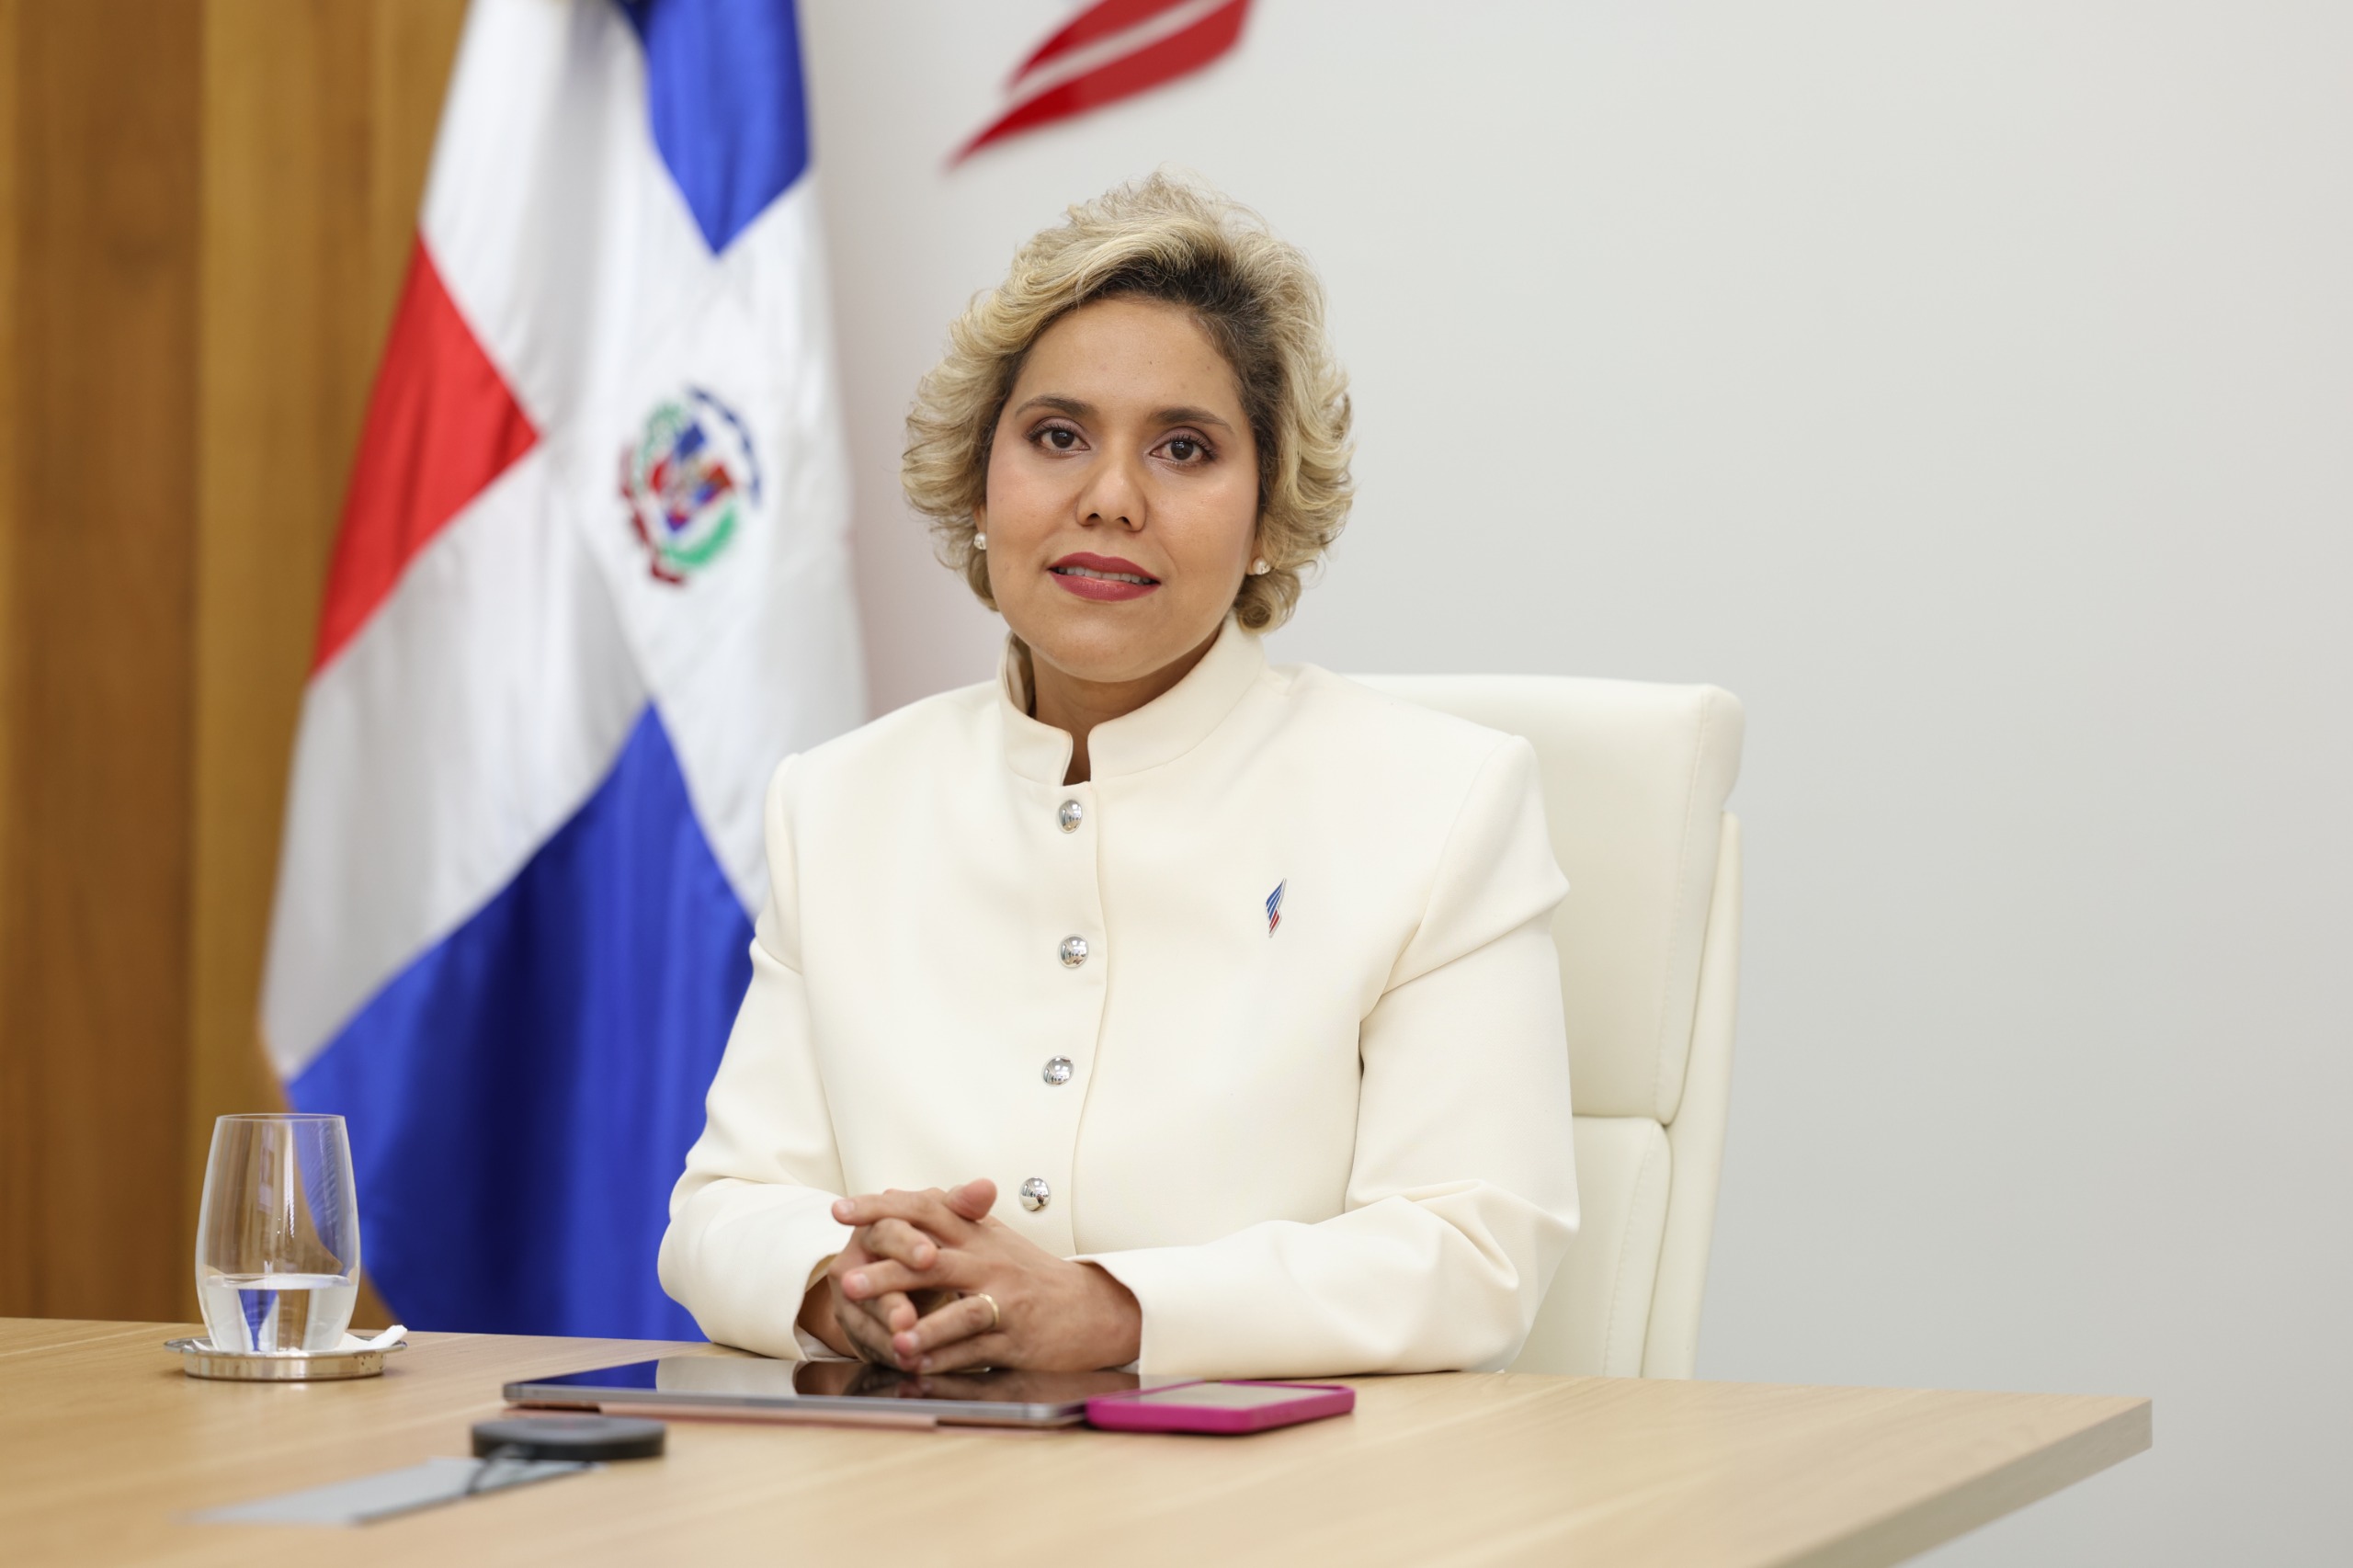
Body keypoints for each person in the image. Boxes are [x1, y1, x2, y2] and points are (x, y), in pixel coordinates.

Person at [658, 174, 1578, 1379]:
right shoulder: (837, 803)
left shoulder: (1440, 800)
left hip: (1279, 1477)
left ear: (1269, 515)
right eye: (1057, 436)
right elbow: (723, 1210)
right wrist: (851, 1286)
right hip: (908, 1463)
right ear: (979, 481)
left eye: (1184, 449)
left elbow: (1471, 1251)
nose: (1109, 499)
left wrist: (1111, 1310)